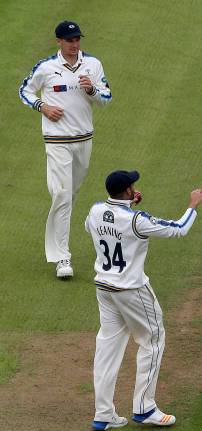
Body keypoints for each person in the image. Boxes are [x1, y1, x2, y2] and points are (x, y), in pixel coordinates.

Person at [85, 170, 202, 431]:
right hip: (132, 290)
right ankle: (145, 407)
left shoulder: (95, 211)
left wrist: (127, 208)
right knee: (153, 340)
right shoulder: (137, 220)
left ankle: (103, 414)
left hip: (104, 288)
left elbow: (100, 226)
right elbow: (178, 229)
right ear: (128, 191)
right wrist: (192, 205)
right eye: (132, 185)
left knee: (107, 349)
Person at [19, 20, 112, 278]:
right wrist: (43, 107)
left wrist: (92, 89)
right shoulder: (46, 68)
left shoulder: (93, 64)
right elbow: (24, 90)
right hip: (57, 140)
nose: (75, 45)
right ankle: (63, 258)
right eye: (69, 40)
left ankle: (60, 237)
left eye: (77, 40)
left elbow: (106, 98)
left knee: (70, 195)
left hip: (84, 140)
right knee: (61, 194)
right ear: (59, 41)